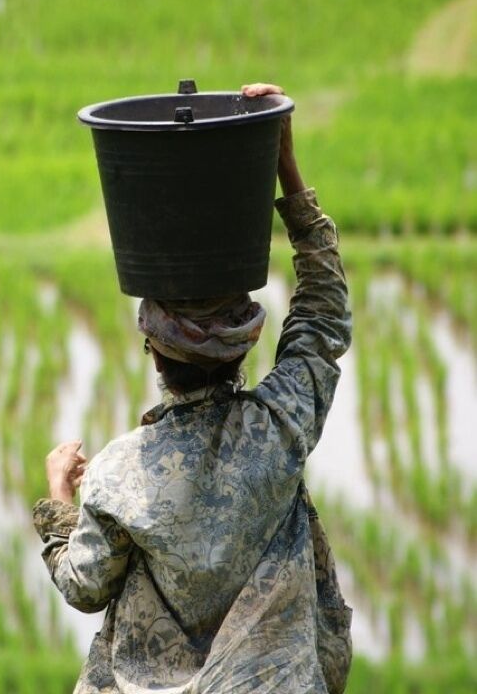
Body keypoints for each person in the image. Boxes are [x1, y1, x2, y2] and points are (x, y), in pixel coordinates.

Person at [32, 83, 353, 693]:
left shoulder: (118, 473)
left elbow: (84, 586)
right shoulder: (278, 429)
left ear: (152, 347)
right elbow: (322, 318)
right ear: (246, 342)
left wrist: (58, 503)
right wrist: (283, 161)